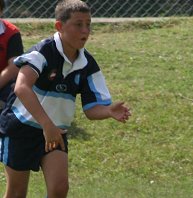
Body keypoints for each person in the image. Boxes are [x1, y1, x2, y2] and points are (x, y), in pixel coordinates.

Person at [0, 0, 131, 197]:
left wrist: (108, 111)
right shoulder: (42, 52)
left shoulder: (87, 64)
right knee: (17, 193)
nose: (85, 30)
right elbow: (21, 88)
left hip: (54, 131)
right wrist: (47, 125)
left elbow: (91, 109)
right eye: (78, 24)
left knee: (59, 189)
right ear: (59, 26)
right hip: (20, 127)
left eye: (88, 24)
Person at [0, 0, 23, 113]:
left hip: (3, 81)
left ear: (1, 11)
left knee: (17, 89)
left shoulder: (11, 33)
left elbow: (14, 67)